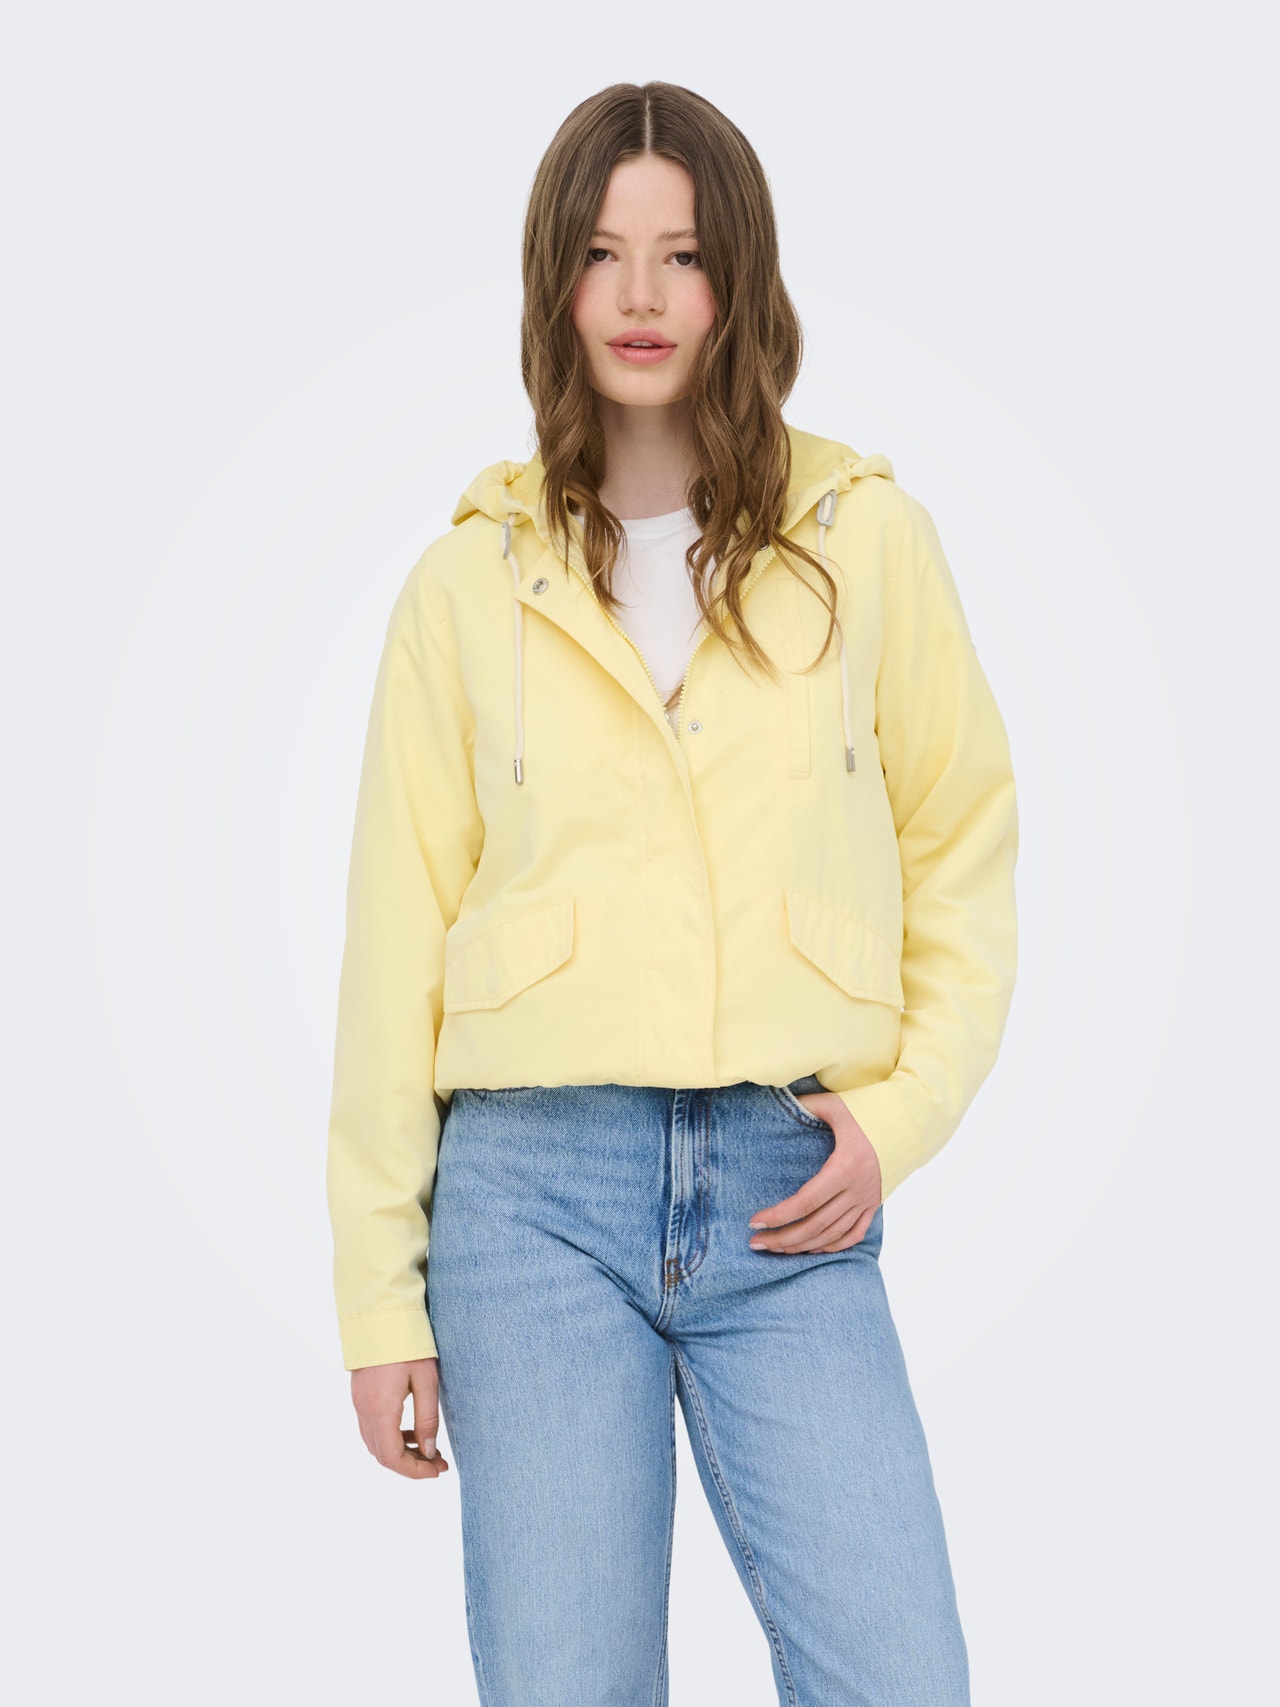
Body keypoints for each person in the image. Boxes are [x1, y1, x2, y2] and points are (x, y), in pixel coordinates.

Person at [325, 80, 1019, 1707]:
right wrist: (376, 1298)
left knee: (901, 1675)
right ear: (554, 282)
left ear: (740, 280)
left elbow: (963, 849)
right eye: (602, 252)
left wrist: (900, 1115)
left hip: (791, 1186)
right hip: (530, 1203)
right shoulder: (467, 584)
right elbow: (392, 945)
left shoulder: (868, 544)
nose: (641, 295)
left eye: (685, 255)